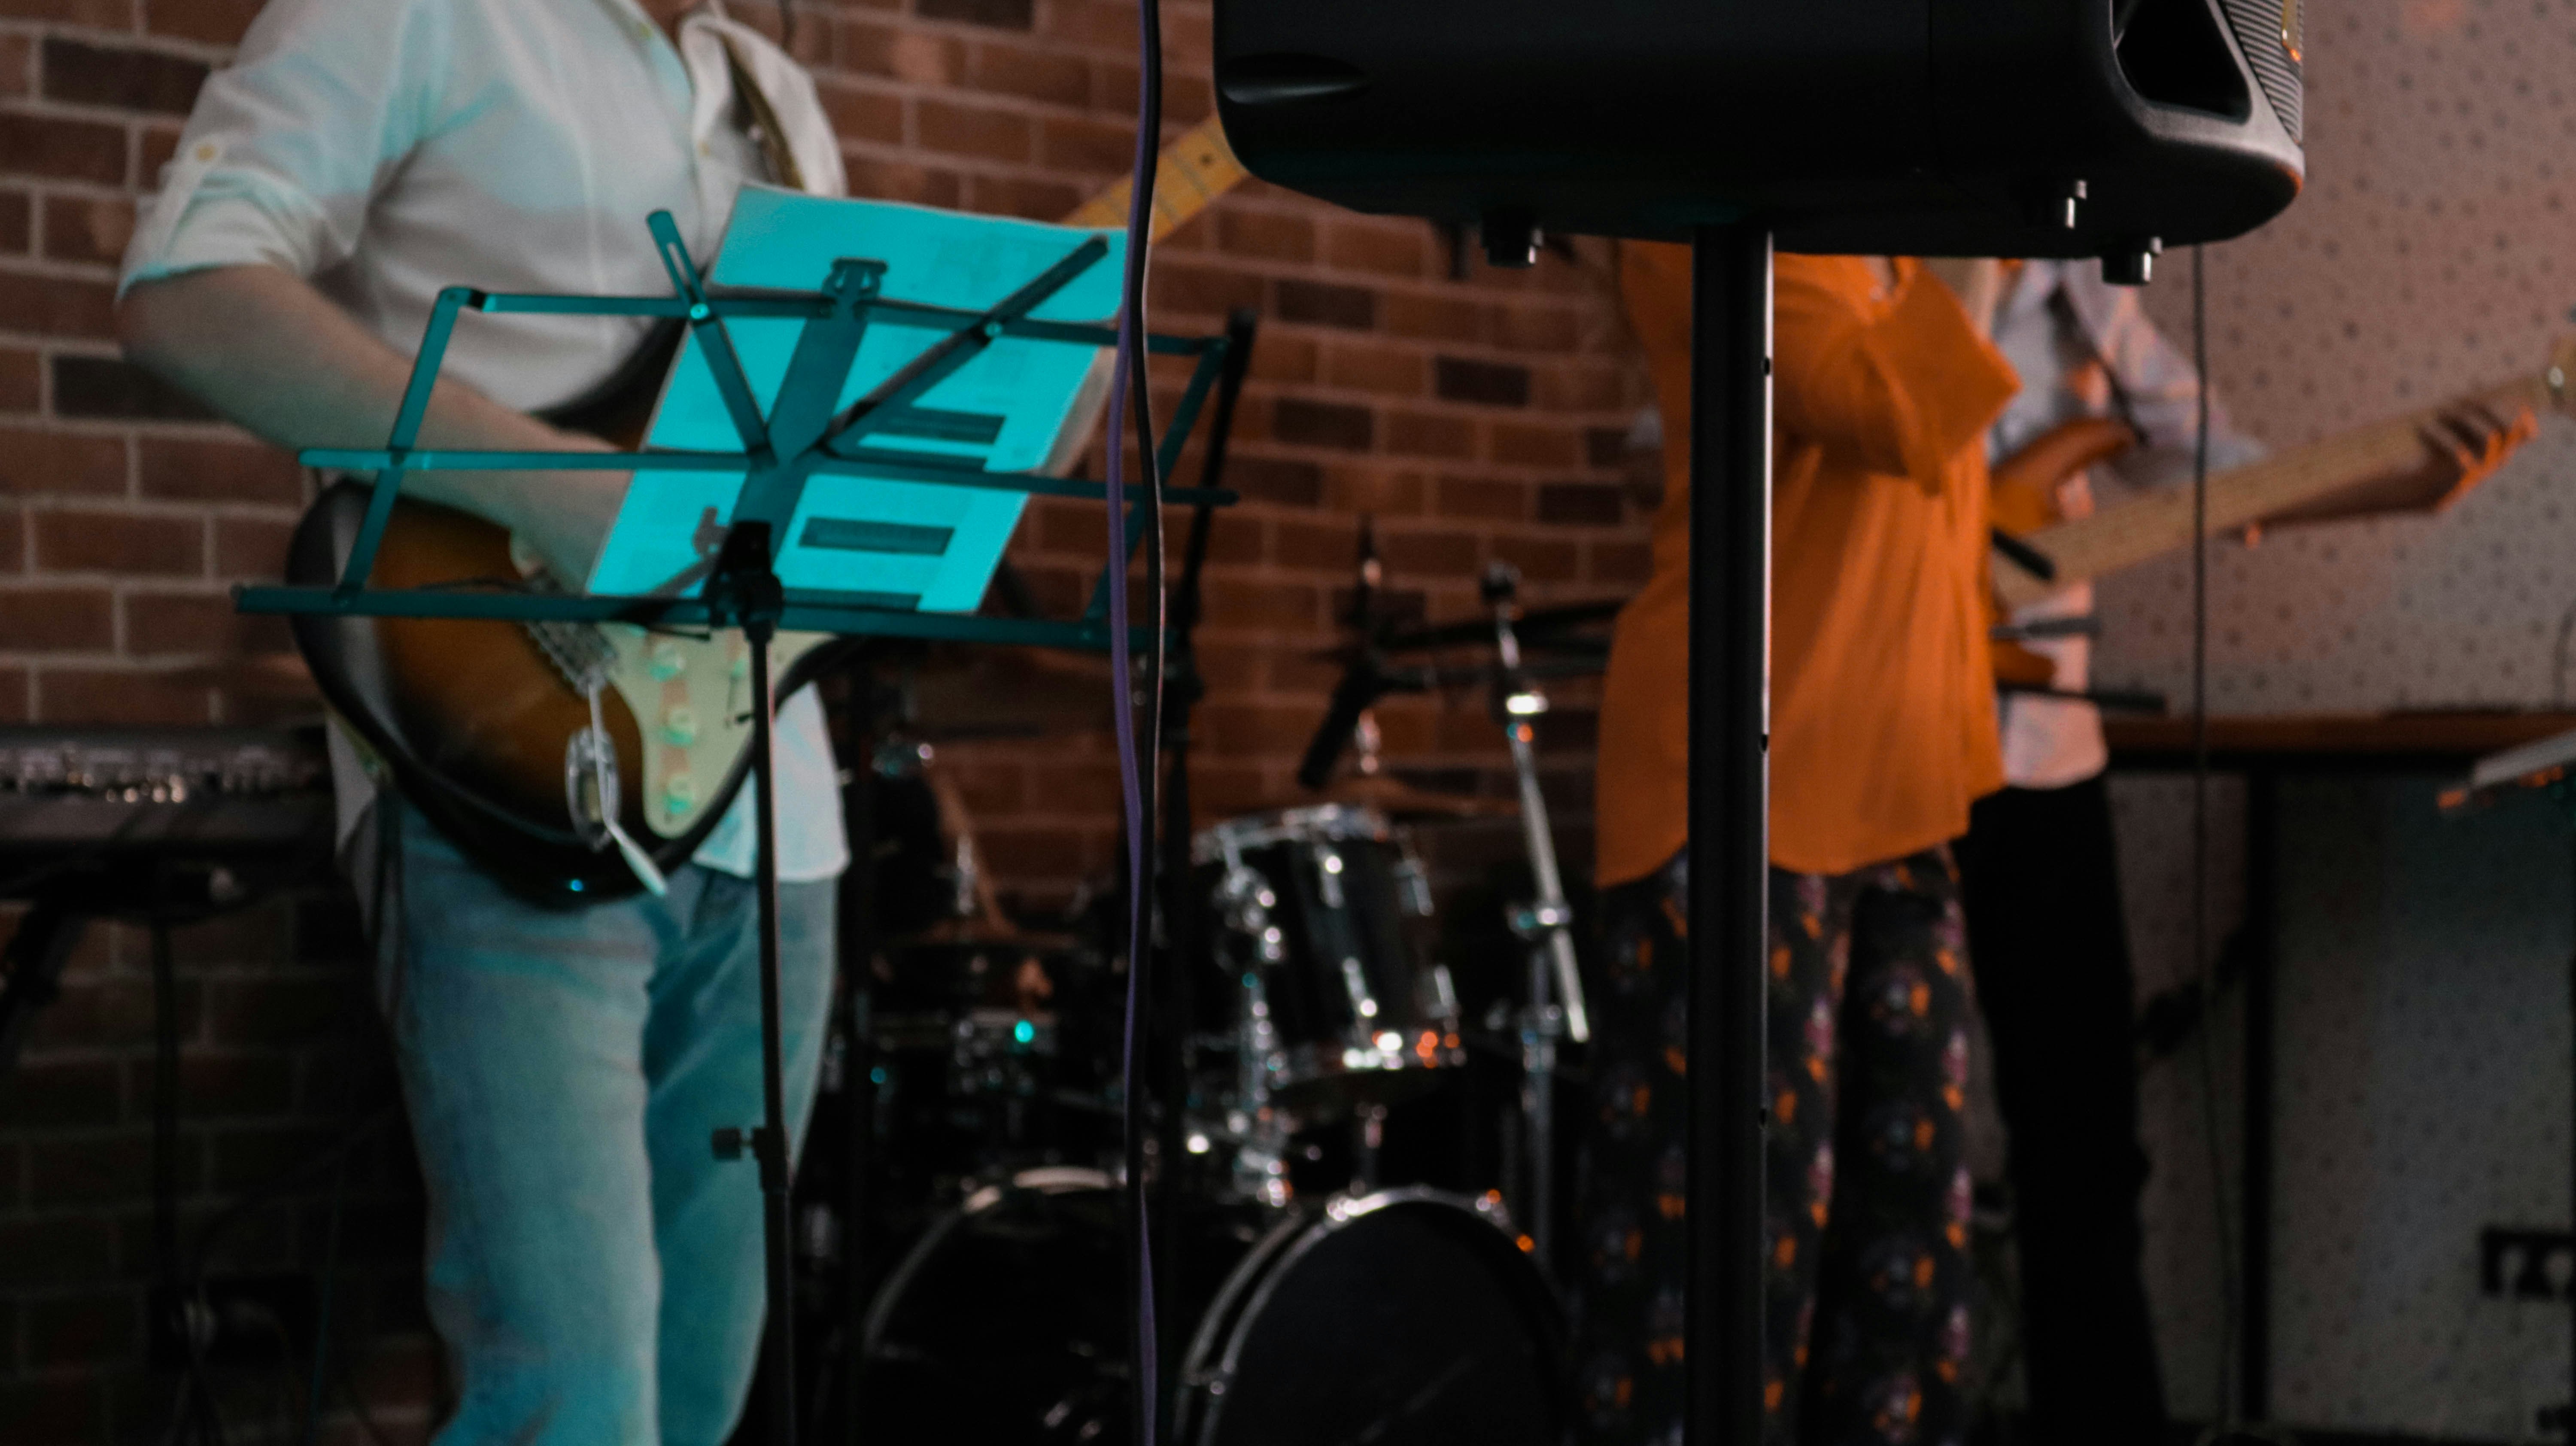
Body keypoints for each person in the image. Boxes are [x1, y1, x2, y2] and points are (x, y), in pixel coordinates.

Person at [116, 3, 851, 1441]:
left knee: (701, 1401)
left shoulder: (773, 92)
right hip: (503, 767)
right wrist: (541, 480)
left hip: (778, 812)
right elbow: (186, 286)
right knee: (571, 1402)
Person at [1957, 259, 2533, 1443]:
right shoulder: (1887, 248)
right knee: (1862, 1132)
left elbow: (2217, 470)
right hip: (1883, 738)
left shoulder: (2086, 287)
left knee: (2086, 1147)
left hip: (2046, 757)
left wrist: (2399, 487)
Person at [1576, 242, 2019, 1446]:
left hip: (1900, 785)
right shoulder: (1726, 222)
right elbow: (1887, 413)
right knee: (1724, 1272)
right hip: (1741, 783)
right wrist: (1987, 237)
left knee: (1908, 1267)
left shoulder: (1880, 243)